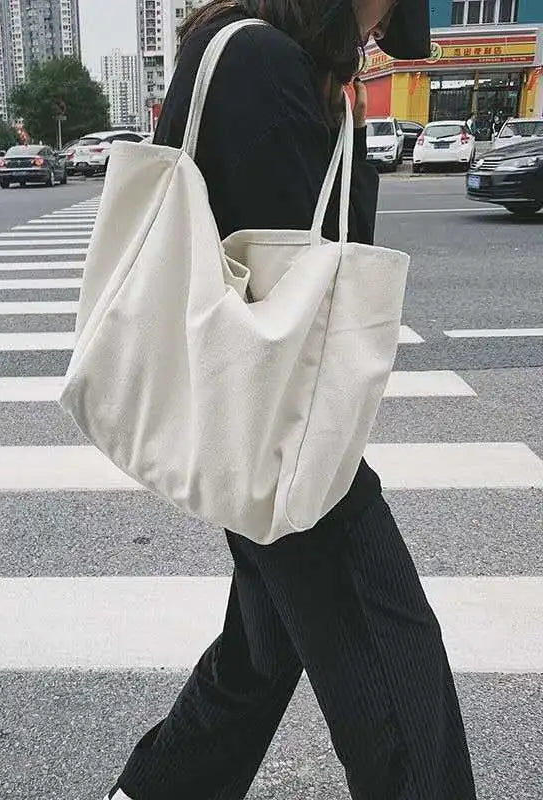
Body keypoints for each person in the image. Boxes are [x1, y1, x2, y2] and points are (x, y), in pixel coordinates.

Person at [102, 2, 477, 799]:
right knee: (394, 661)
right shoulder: (262, 63)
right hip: (274, 419)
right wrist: (340, 119)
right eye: (380, 23)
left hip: (253, 415)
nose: (378, 36)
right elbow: (317, 274)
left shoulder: (245, 48)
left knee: (262, 649)